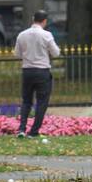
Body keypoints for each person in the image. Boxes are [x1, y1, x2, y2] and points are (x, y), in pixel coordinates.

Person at [14, 10, 60, 138]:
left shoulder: (22, 35)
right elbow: (56, 53)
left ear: (33, 19)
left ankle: (22, 129)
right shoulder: (47, 35)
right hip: (42, 71)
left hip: (27, 71)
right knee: (42, 102)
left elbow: (17, 54)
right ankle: (33, 131)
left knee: (26, 101)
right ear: (44, 21)